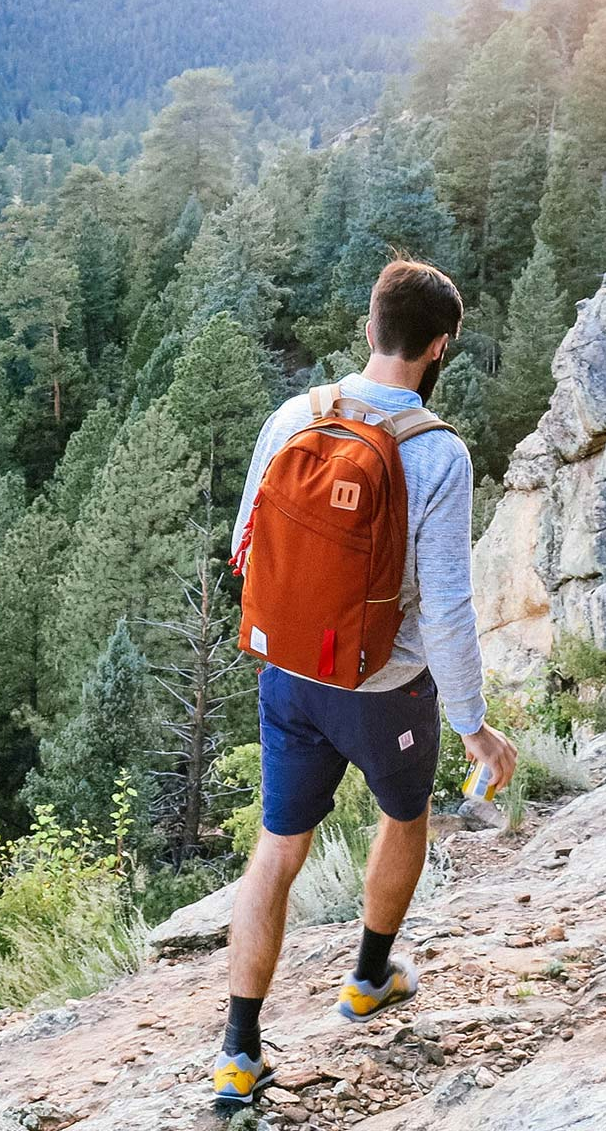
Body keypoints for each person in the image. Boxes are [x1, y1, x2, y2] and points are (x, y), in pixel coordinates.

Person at [212, 257, 518, 1108]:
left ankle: (238, 1053)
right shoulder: (437, 453)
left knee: (276, 852)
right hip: (389, 691)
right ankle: (370, 976)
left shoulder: (293, 415)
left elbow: (246, 540)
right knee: (404, 816)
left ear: (368, 328)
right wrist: (473, 726)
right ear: (441, 347)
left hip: (290, 675)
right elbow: (450, 611)